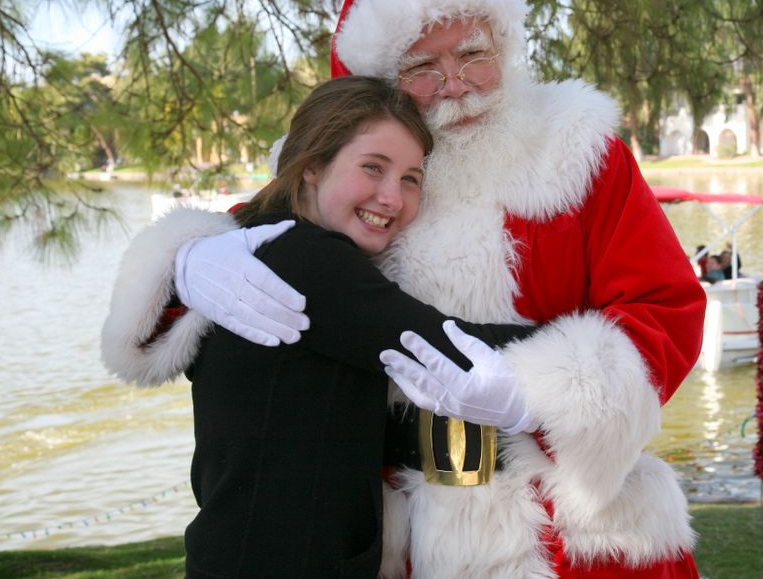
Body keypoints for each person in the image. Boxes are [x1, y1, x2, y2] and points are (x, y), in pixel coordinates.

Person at [101, 0, 707, 579]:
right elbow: (258, 242)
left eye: (473, 51)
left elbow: (666, 308)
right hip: (404, 537)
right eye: (424, 67)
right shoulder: (364, 171)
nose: (456, 82)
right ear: (388, 81)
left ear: (505, 43)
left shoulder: (580, 153)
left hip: (568, 525)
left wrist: (536, 391)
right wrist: (187, 257)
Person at [128, 76, 534, 577]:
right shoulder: (304, 257)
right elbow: (443, 346)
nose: (392, 197)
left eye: (410, 178)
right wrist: (601, 342)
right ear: (313, 167)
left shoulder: (255, 245)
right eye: (373, 168)